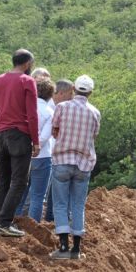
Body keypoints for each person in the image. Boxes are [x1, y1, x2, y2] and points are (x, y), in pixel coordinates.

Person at [0, 48, 39, 237]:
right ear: (27, 64)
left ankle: (0, 220)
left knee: (3, 180)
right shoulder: (27, 80)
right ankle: (4, 223)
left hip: (1, 136)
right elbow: (32, 115)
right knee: (19, 182)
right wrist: (36, 141)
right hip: (20, 136)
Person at [50, 75, 100, 260]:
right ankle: (76, 250)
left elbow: (54, 130)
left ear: (74, 89)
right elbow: (94, 136)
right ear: (90, 92)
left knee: (60, 204)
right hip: (84, 163)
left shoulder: (62, 107)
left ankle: (63, 247)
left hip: (62, 160)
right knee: (78, 205)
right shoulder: (95, 112)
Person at [15, 79, 55, 222]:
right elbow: (44, 138)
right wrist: (35, 147)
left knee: (20, 192)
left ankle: (15, 223)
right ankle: (32, 229)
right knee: (38, 196)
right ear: (51, 95)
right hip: (42, 156)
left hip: (22, 154)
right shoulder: (50, 112)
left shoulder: (23, 108)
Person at [43, 79, 75, 222]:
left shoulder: (60, 107)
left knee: (54, 187)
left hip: (55, 153)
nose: (72, 97)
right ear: (61, 93)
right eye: (70, 93)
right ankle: (49, 218)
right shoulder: (50, 108)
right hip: (47, 153)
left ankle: (51, 217)